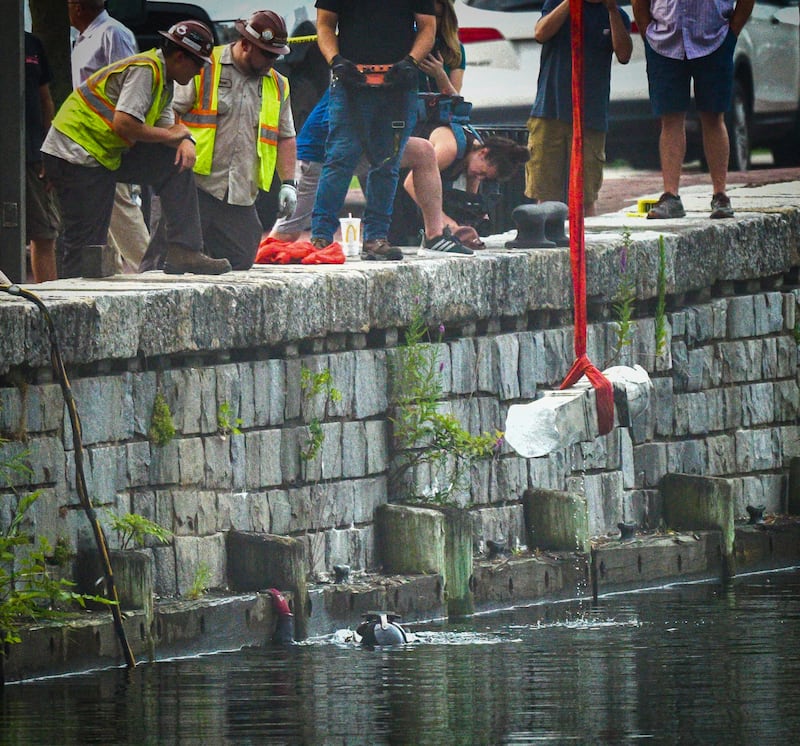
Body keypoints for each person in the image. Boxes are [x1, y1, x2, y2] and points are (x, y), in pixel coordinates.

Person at [41, 21, 231, 277]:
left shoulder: (166, 80)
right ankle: (69, 304)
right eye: (198, 64)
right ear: (178, 56)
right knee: (87, 244)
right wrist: (174, 135)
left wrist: (186, 141)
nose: (199, 73)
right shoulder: (146, 70)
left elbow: (167, 130)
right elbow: (125, 125)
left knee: (172, 162)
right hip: (74, 152)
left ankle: (184, 251)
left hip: (101, 152)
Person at [142, 10, 298, 271]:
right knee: (164, 260)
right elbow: (169, 112)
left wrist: (289, 184)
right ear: (246, 44)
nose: (273, 60)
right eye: (267, 54)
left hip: (239, 194)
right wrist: (179, 140)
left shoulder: (278, 84)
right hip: (195, 185)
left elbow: (286, 136)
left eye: (276, 55)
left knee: (242, 259)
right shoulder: (203, 64)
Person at [310, 0, 436, 261]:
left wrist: (411, 62)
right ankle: (321, 236)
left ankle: (376, 237)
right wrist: (336, 61)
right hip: (350, 81)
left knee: (387, 161)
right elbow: (324, 24)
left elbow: (427, 27)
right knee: (341, 156)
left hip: (398, 84)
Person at [631, 0, 754, 220]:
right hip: (665, 40)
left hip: (713, 38)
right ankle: (671, 195)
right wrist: (649, 32)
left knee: (714, 116)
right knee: (670, 118)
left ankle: (720, 194)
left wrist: (732, 32)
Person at [524, 0, 632, 217]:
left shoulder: (616, 15)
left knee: (585, 196)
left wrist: (611, 11)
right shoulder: (557, 3)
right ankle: (547, 241)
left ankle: (586, 246)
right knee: (545, 193)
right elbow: (540, 33)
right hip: (549, 111)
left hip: (590, 116)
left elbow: (624, 54)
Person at [69, 0, 151, 272]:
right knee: (99, 211)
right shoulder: (82, 38)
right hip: (86, 137)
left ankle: (149, 268)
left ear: (78, 7)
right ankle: (112, 273)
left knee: (119, 206)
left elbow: (129, 82)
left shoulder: (113, 34)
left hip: (108, 136)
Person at [24, 32, 61, 283]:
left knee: (44, 231)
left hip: (32, 153)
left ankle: (49, 303)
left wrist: (50, 150)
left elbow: (45, 98)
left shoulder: (32, 43)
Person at [417, 0, 465, 96]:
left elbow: (455, 99)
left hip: (440, 109)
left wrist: (440, 75)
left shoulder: (454, 49)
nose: (431, 21)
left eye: (437, 16)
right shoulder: (408, 46)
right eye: (428, 15)